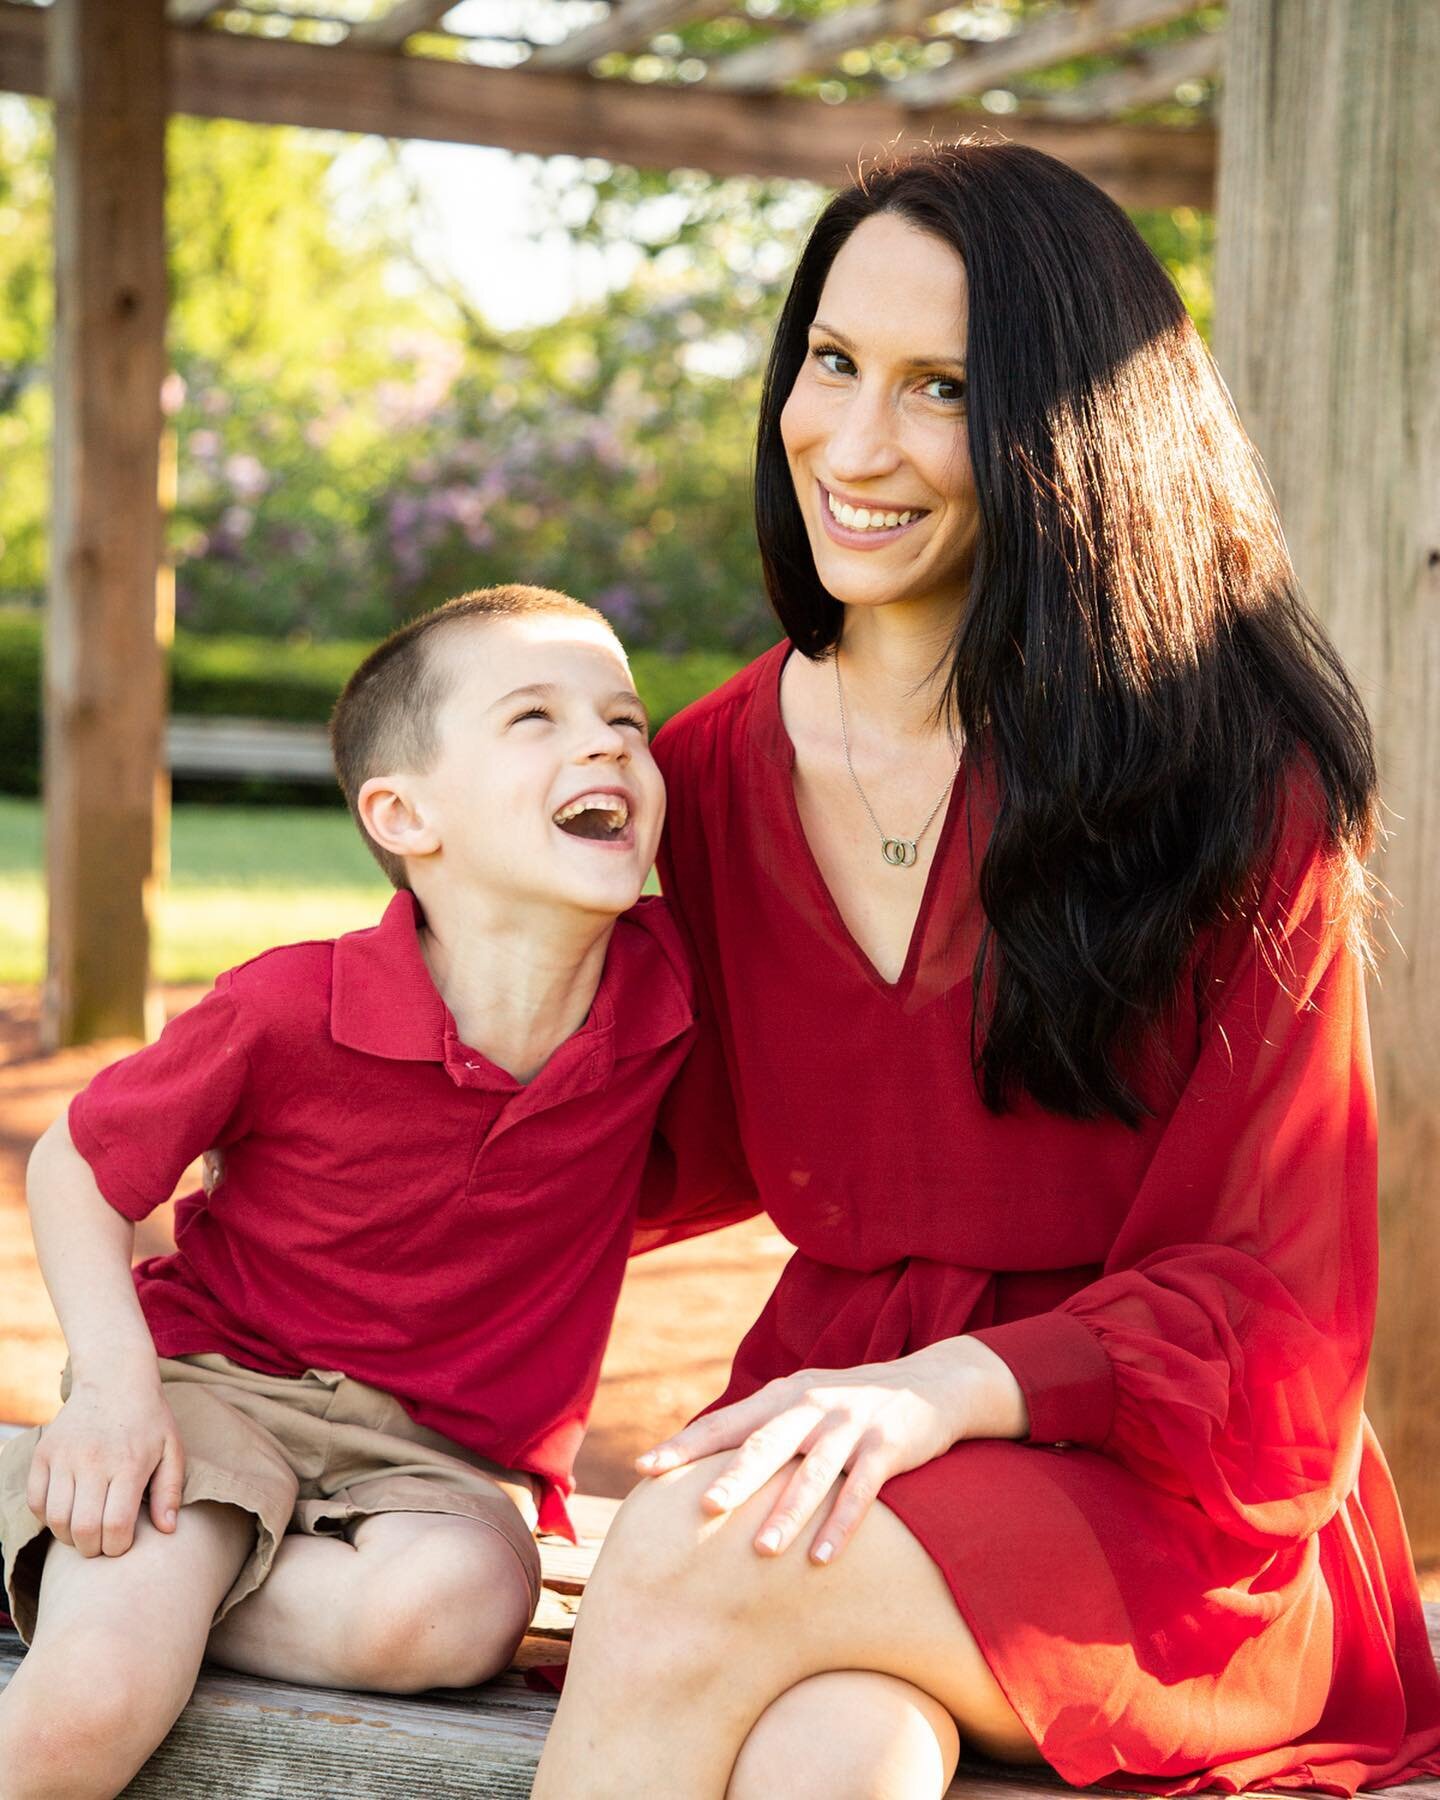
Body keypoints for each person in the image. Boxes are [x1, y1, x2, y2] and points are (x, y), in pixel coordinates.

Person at [533, 145, 1440, 1798]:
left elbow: (1278, 1307)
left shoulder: (1237, 787)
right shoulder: (714, 772)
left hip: (1170, 1510)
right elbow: (657, 1140)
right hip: (843, 1457)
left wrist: (949, 1388)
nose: (854, 444)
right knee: (835, 1753)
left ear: (1066, 430)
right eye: (833, 362)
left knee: (680, 1557)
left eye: (942, 387)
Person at [0, 585, 694, 1799]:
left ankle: (97, 1556)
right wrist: (113, 1390)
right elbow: (76, 1164)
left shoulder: (669, 1008)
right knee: (98, 1690)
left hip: (440, 1466)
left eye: (628, 722)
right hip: (219, 1387)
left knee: (466, 1614)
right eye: (535, 716)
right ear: (403, 815)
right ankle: (118, 1565)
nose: (607, 744)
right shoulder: (290, 1005)